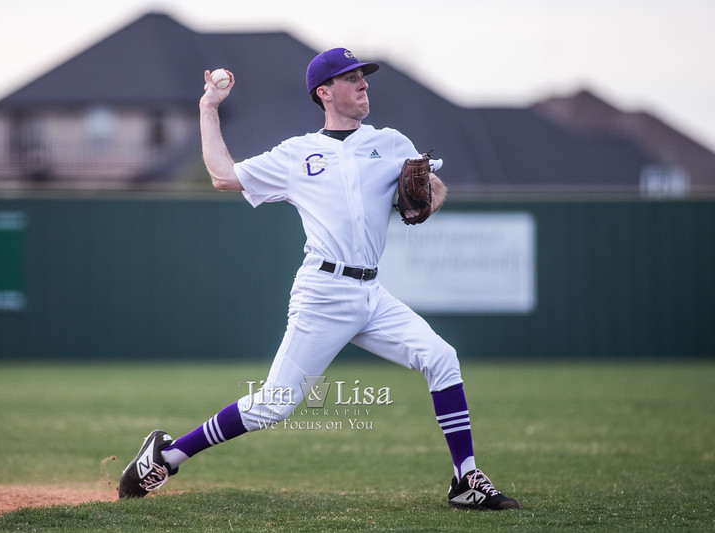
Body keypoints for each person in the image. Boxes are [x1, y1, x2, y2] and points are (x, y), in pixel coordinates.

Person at [118, 47, 521, 511]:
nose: (364, 84)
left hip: (372, 293)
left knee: (441, 357)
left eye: (364, 76)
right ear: (324, 92)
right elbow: (223, 177)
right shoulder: (297, 154)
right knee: (273, 405)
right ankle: (167, 457)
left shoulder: (391, 142)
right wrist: (208, 108)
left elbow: (431, 190)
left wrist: (424, 196)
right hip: (323, 294)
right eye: (352, 78)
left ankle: (465, 478)